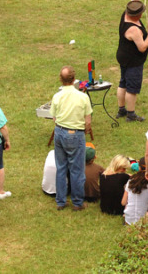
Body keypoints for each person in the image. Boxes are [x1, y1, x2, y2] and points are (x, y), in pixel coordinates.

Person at [51, 66, 93, 211]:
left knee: (61, 168)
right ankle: (77, 202)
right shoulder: (83, 97)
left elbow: (54, 118)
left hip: (60, 132)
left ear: (60, 80)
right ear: (74, 79)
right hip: (76, 133)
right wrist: (85, 131)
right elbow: (88, 120)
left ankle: (61, 201)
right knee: (77, 169)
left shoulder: (57, 96)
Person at [116, 0, 148, 122]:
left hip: (122, 56)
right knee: (132, 87)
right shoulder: (134, 30)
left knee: (122, 82)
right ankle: (130, 114)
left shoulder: (127, 12)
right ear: (138, 15)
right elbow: (142, 47)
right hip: (133, 61)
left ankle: (121, 109)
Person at [122, 160, 148, 225]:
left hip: (129, 220)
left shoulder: (130, 181)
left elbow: (123, 202)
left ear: (139, 168)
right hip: (146, 222)